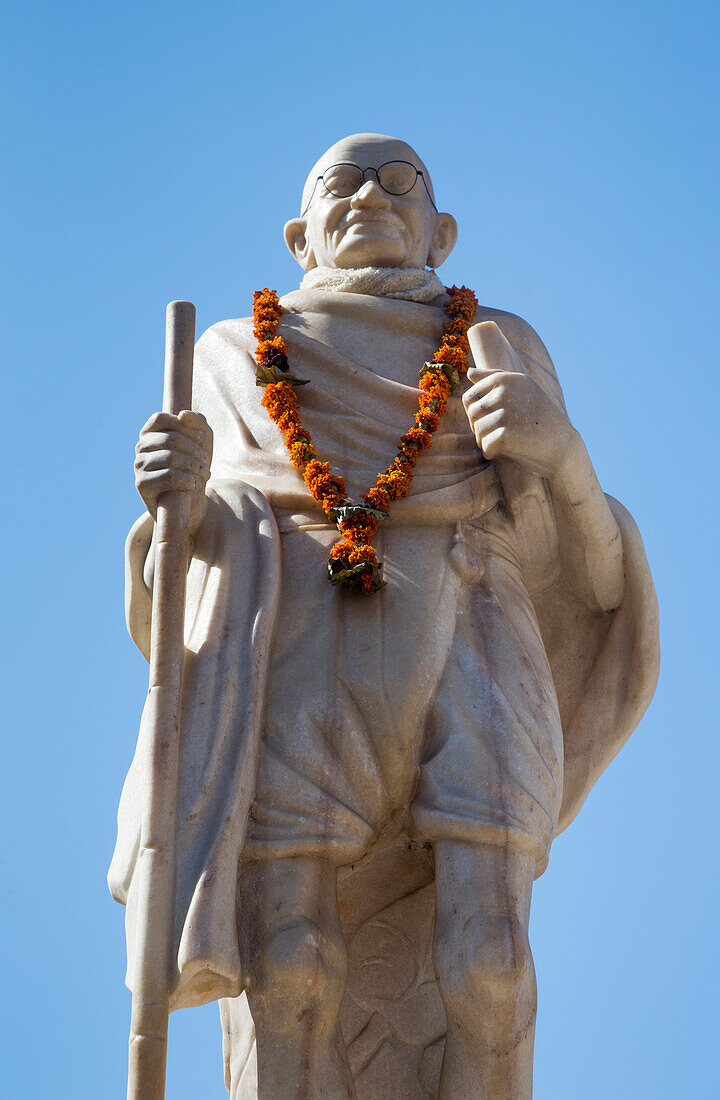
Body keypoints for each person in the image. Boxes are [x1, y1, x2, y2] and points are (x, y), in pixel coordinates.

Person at [110, 133, 659, 1099]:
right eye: (341, 182)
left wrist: (561, 455)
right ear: (300, 234)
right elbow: (174, 595)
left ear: (440, 230)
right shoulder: (232, 354)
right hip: (294, 640)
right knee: (287, 965)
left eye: (398, 181)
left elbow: (601, 584)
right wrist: (177, 509)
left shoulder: (496, 342)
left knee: (490, 963)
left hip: (474, 627)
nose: (370, 195)